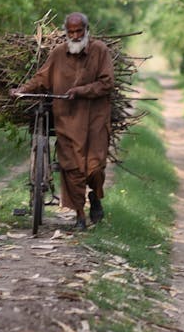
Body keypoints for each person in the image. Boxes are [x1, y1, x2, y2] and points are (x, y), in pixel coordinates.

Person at [11, 12, 114, 230]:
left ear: (87, 30)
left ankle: (95, 196)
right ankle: (79, 216)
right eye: (71, 32)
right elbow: (42, 78)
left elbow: (107, 83)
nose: (75, 36)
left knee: (95, 168)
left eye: (79, 31)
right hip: (67, 119)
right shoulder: (58, 53)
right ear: (65, 32)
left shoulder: (100, 50)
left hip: (96, 118)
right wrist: (22, 90)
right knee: (72, 168)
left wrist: (82, 90)